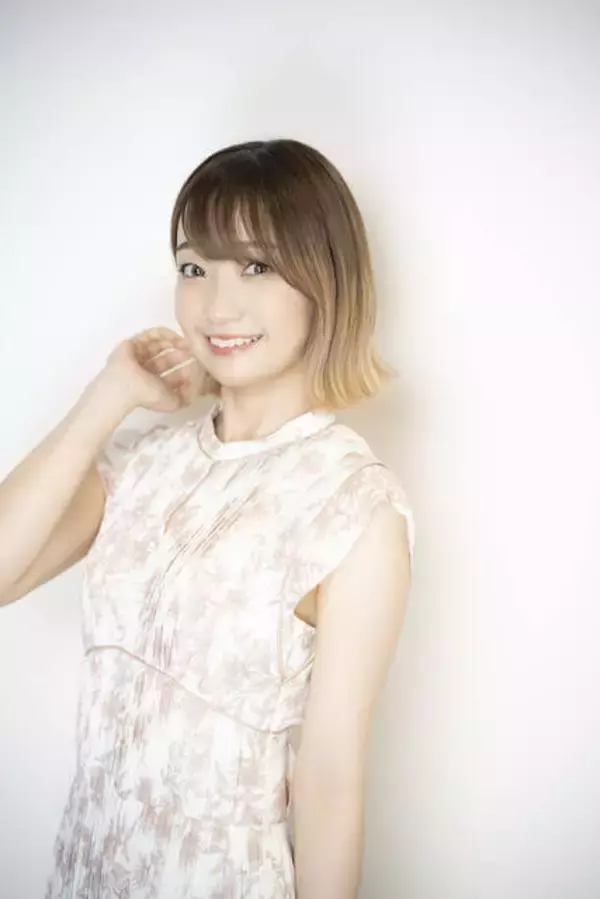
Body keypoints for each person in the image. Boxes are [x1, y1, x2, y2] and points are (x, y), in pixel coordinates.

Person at [0, 138, 415, 899]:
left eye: (256, 266)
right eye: (194, 268)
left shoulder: (353, 504)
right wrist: (106, 398)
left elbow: (329, 781)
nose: (217, 306)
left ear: (325, 278)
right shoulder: (143, 463)